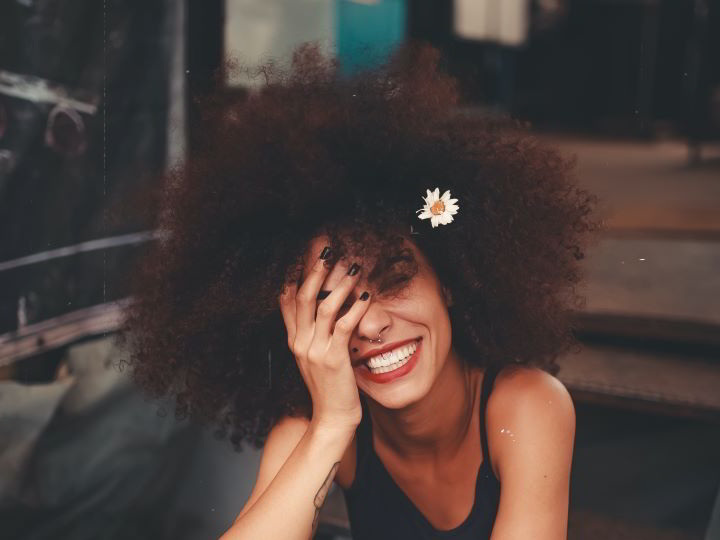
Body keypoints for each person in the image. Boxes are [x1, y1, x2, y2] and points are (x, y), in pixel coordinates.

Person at [121, 41, 599, 539]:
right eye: (330, 301)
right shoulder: (317, 426)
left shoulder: (525, 405)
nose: (369, 324)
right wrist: (332, 425)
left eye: (393, 279)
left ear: (452, 280)